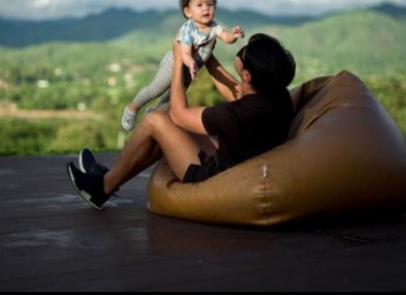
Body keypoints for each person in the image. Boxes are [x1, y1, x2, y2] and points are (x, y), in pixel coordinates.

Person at [66, 32, 297, 210]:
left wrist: (179, 59)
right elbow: (235, 89)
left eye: (244, 52)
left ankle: (101, 187)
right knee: (166, 128)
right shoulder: (276, 97)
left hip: (214, 176)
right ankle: (112, 175)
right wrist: (206, 53)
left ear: (247, 75)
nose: (241, 50)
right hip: (238, 162)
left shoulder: (236, 115)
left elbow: (179, 114)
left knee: (158, 119)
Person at [120, 0, 245, 131]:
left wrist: (234, 35)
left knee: (173, 97)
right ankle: (132, 108)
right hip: (174, 64)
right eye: (199, 5)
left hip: (190, 70)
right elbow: (184, 53)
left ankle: (154, 115)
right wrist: (191, 62)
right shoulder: (188, 29)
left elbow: (226, 37)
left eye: (210, 4)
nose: (206, 8)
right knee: (156, 89)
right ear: (188, 12)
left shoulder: (213, 27)